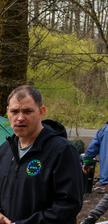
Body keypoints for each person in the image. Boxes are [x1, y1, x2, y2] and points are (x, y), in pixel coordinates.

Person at [0, 85, 84, 224]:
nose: (20, 118)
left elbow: (68, 205)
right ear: (8, 112)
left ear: (41, 112)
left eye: (27, 111)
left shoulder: (62, 151)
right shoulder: (4, 151)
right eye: (15, 112)